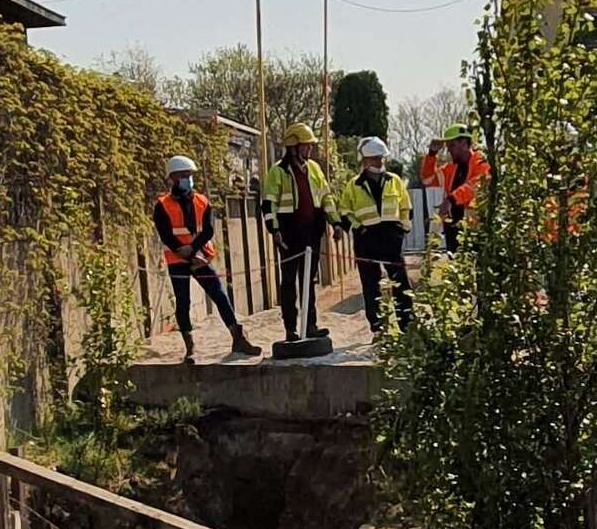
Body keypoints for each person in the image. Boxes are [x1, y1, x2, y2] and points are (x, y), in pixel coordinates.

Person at [152, 155, 256, 362]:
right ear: (172, 178)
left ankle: (238, 338)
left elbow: (208, 230)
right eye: (183, 175)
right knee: (183, 302)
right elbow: (165, 234)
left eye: (190, 175)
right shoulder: (162, 205)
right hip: (178, 260)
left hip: (199, 257)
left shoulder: (202, 201)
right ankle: (190, 348)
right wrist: (184, 251)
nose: (188, 179)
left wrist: (193, 250)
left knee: (219, 295)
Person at [261, 120, 333, 347]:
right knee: (289, 281)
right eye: (305, 145)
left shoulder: (315, 169)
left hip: (312, 232)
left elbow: (326, 197)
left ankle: (310, 325)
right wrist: (274, 230)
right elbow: (268, 204)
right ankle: (291, 328)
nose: (309, 148)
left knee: (308, 281)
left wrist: (336, 222)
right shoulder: (278, 171)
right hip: (289, 234)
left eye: (310, 145)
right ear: (293, 146)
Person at [338, 134, 413, 331]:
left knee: (401, 283)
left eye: (381, 158)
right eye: (374, 158)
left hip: (391, 239)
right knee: (371, 287)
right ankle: (378, 328)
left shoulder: (395, 181)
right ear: (364, 160)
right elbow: (345, 212)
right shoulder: (353, 185)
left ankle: (407, 325)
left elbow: (406, 207)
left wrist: (402, 229)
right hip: (366, 241)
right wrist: (359, 228)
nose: (379, 162)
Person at [436, 121, 490, 251]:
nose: (449, 150)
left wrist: (451, 199)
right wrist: (431, 155)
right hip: (453, 229)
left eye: (452, 145)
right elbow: (428, 179)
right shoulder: (451, 168)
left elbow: (475, 186)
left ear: (464, 143)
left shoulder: (481, 162)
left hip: (473, 229)